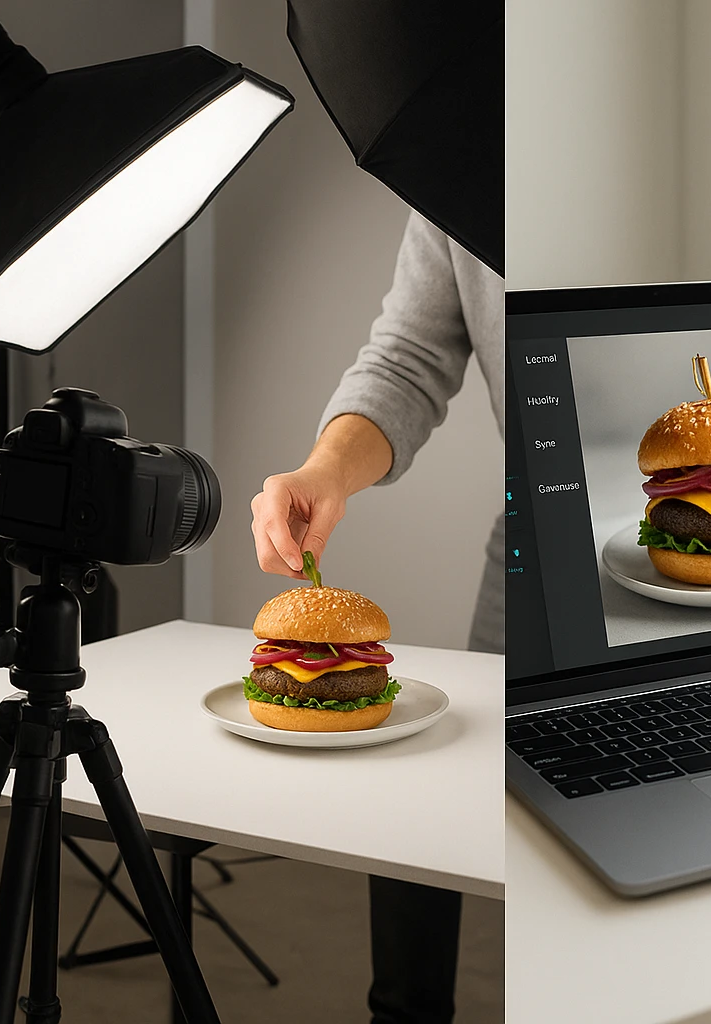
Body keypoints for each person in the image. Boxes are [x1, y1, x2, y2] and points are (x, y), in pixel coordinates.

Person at [250, 209, 503, 1024]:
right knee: (433, 793)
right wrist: (326, 468)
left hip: (685, 563)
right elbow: (410, 355)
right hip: (532, 537)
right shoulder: (458, 156)